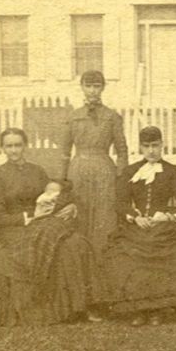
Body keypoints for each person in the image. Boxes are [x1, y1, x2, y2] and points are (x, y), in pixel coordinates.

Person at [0, 128, 107, 326]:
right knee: (60, 248)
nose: (14, 150)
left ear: (25, 146)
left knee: (76, 243)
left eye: (18, 145)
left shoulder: (37, 171)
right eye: (9, 146)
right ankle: (64, 309)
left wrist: (70, 206)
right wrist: (28, 217)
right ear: (2, 148)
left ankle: (82, 305)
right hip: (16, 229)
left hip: (43, 224)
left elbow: (55, 195)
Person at [104, 126, 176, 326]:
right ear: (140, 147)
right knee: (125, 256)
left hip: (164, 225)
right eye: (146, 146)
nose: (151, 151)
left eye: (155, 146)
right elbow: (120, 203)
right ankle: (138, 309)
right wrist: (135, 217)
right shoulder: (130, 171)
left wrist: (167, 215)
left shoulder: (173, 171)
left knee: (169, 255)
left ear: (162, 145)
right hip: (137, 225)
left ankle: (157, 309)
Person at [59, 70, 128, 255]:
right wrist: (62, 179)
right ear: (82, 87)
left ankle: (102, 256)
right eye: (88, 86)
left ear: (103, 88)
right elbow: (65, 151)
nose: (92, 90)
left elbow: (122, 151)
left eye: (96, 86)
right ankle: (79, 258)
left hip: (104, 170)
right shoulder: (73, 116)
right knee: (79, 212)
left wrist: (121, 176)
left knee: (103, 214)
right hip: (78, 170)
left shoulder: (112, 117)